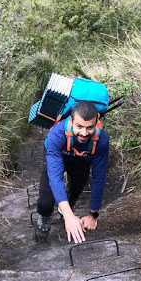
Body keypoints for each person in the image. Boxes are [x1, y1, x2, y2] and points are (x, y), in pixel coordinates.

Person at [36, 100, 109, 244]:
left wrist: (93, 214)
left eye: (89, 128)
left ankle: (66, 207)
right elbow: (56, 179)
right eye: (79, 126)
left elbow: (99, 177)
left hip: (82, 157)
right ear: (71, 120)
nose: (84, 133)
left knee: (77, 187)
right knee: (45, 201)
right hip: (59, 154)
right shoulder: (56, 136)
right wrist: (70, 217)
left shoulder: (101, 140)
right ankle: (46, 216)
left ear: (96, 123)